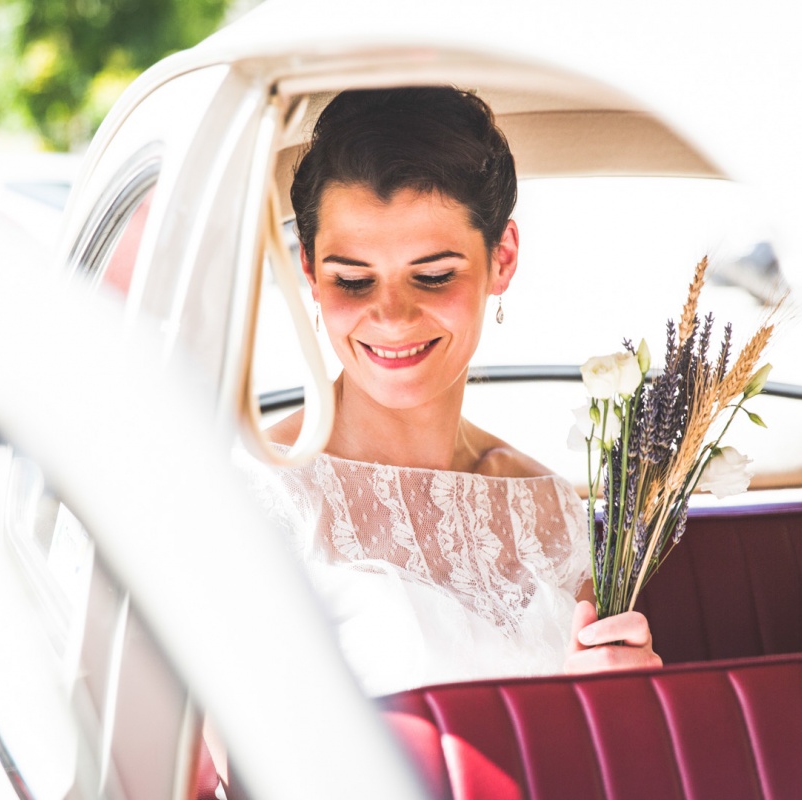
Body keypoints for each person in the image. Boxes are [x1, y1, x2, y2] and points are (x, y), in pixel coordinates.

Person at [253, 86, 661, 696]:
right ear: (309, 271)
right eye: (353, 281)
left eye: (435, 275)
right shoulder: (260, 493)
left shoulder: (548, 507)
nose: (391, 316)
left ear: (503, 258)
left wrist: (626, 696)